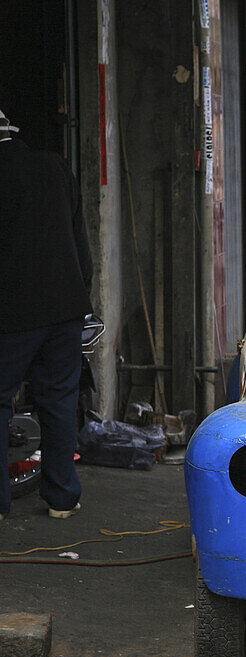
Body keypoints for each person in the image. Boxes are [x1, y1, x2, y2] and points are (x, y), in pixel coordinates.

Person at [0, 110, 92, 520]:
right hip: (66, 307)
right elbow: (80, 241)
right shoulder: (54, 166)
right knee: (58, 400)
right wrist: (79, 295)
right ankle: (62, 499)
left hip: (13, 313)